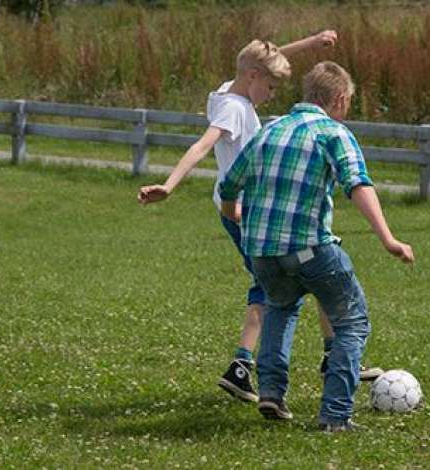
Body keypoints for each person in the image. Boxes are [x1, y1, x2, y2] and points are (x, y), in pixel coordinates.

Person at [137, 34, 382, 404]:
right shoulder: (233, 109)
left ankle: (318, 355)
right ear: (251, 77)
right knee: (287, 280)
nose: (271, 95)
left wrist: (313, 42)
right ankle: (249, 365)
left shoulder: (225, 91)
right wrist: (169, 185)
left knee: (304, 269)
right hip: (243, 211)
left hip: (251, 209)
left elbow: (266, 57)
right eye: (269, 86)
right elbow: (202, 145)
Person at [219, 61, 414, 432]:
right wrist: (388, 239)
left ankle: (271, 394)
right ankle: (335, 415)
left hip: (262, 252)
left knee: (279, 307)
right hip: (309, 250)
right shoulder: (332, 132)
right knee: (351, 323)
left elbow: (229, 186)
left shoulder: (269, 130)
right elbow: (358, 185)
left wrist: (238, 219)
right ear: (339, 98)